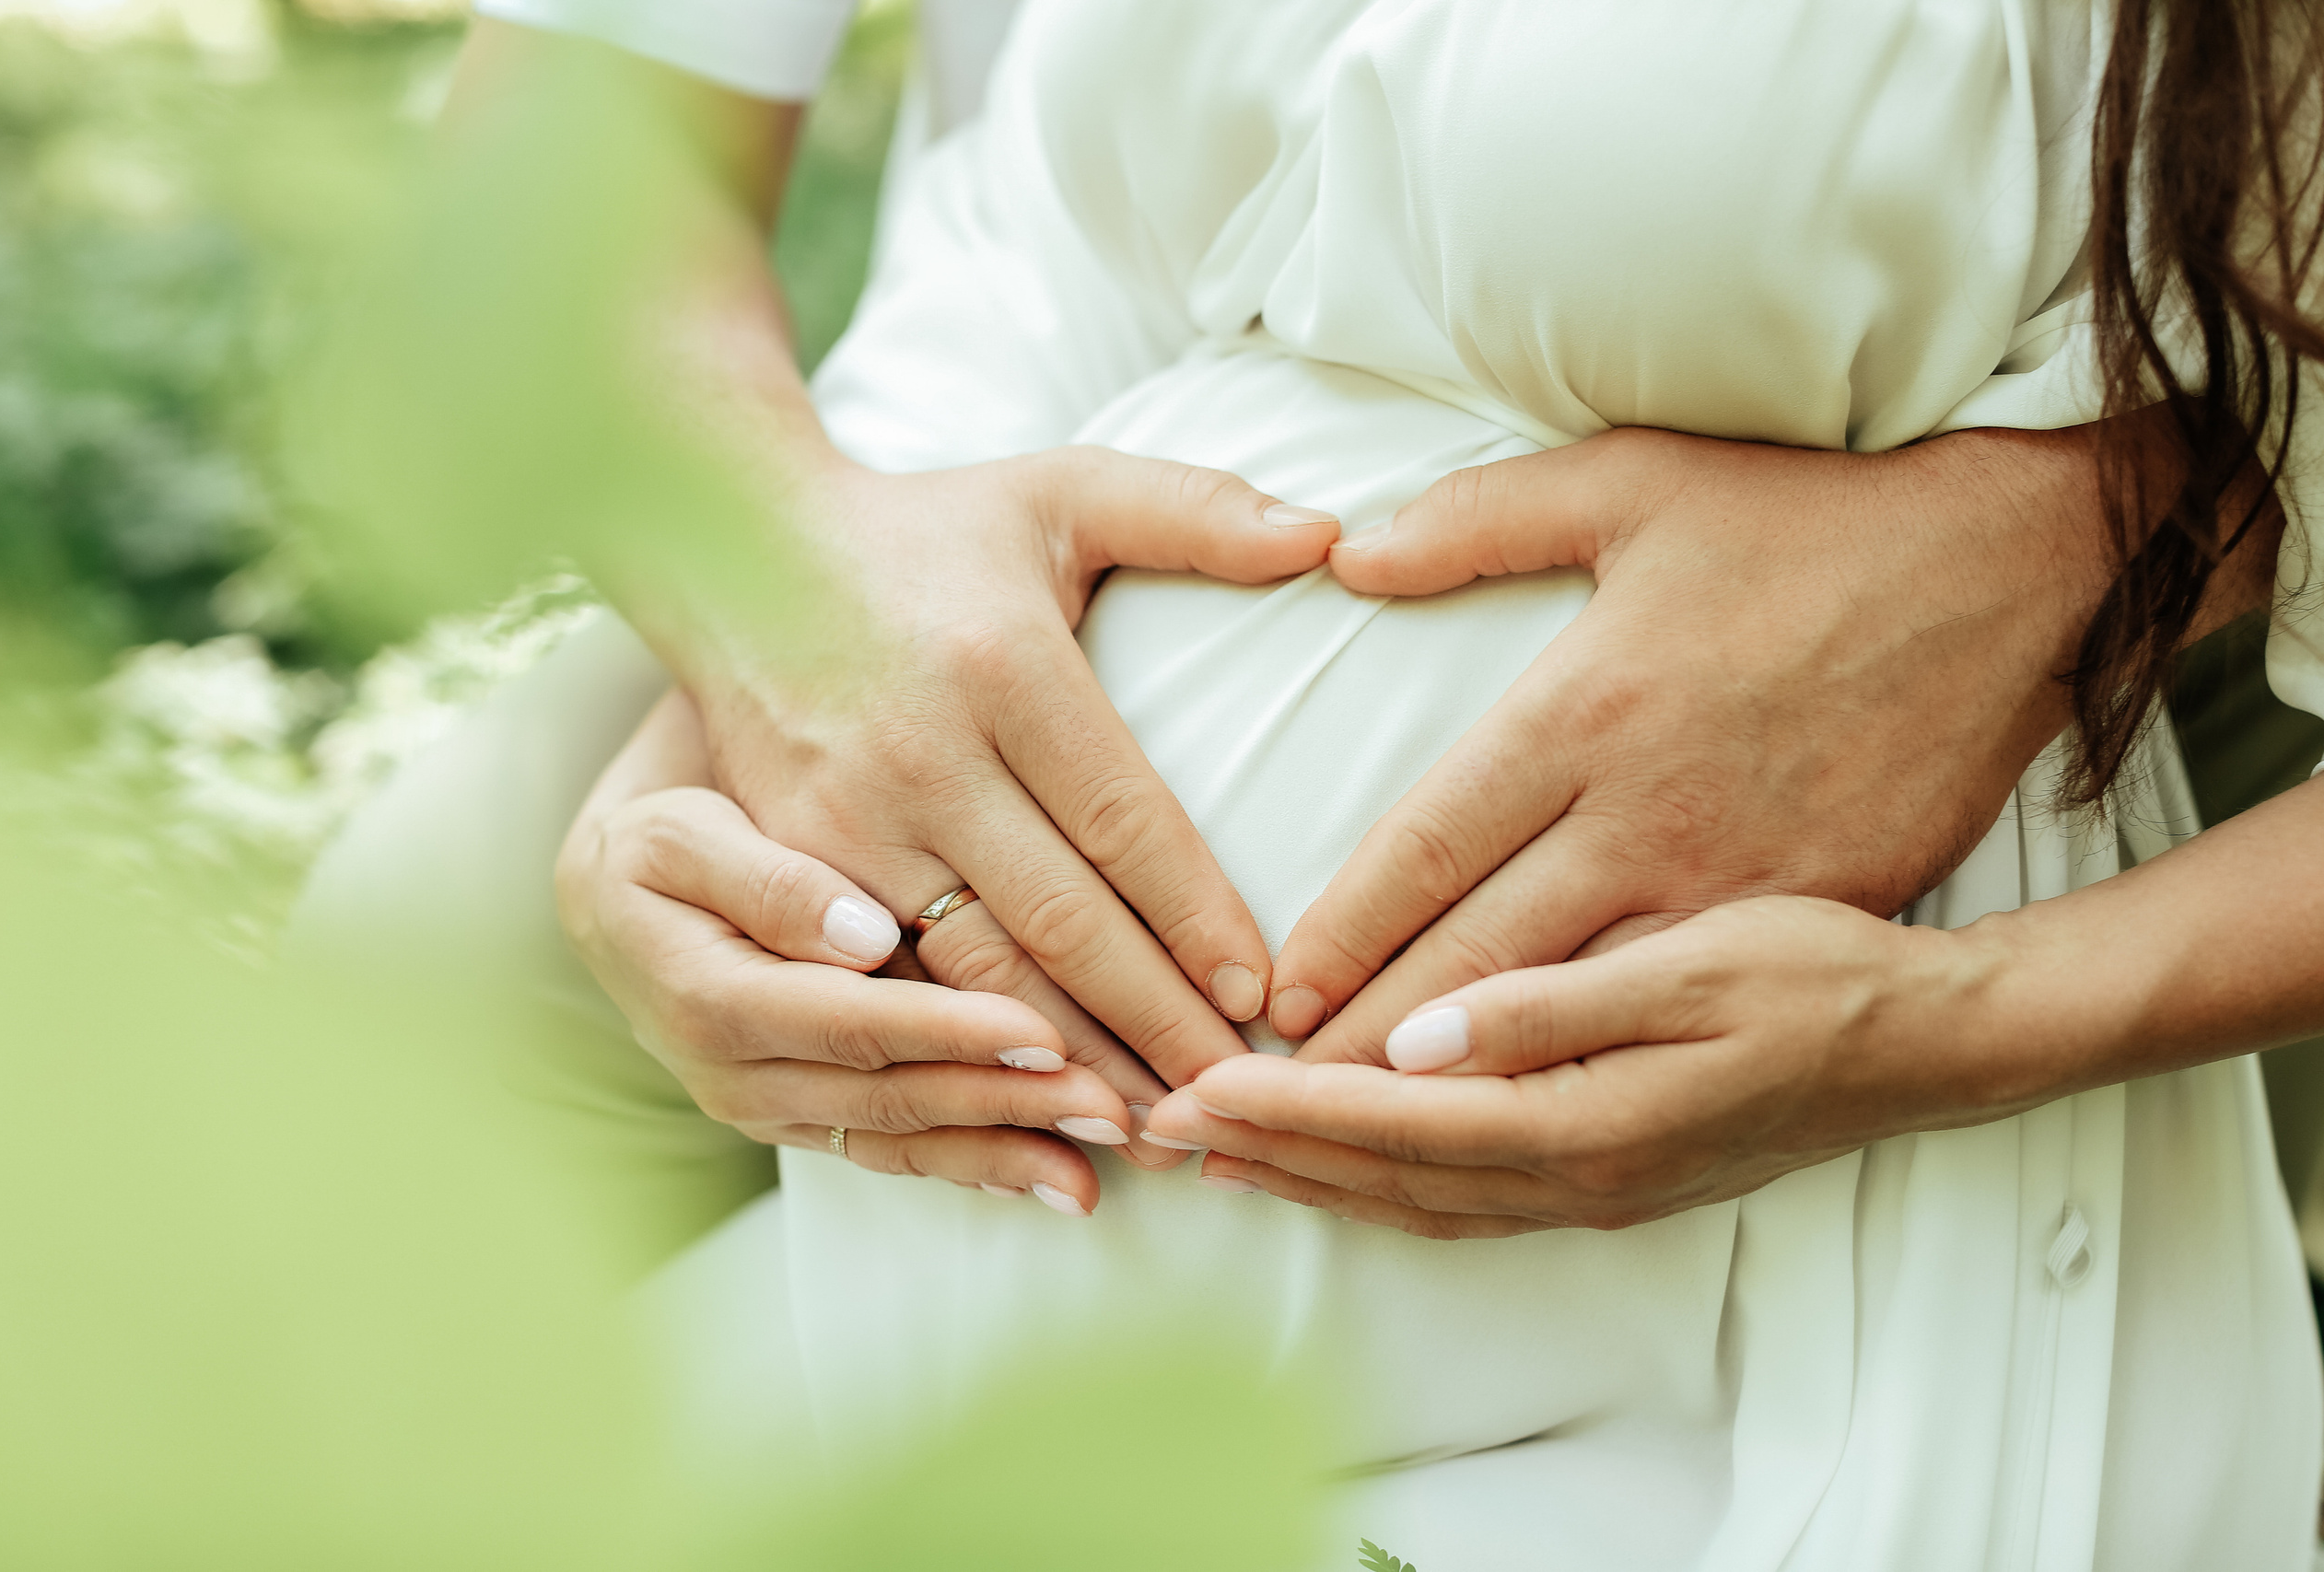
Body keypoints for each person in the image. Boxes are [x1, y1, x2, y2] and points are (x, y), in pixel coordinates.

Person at [304, 1, 2324, 1565]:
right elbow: (581, 157)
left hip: (2005, 850)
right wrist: (774, 652)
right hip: (951, 547)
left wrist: (2113, 512)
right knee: (385, 1036)